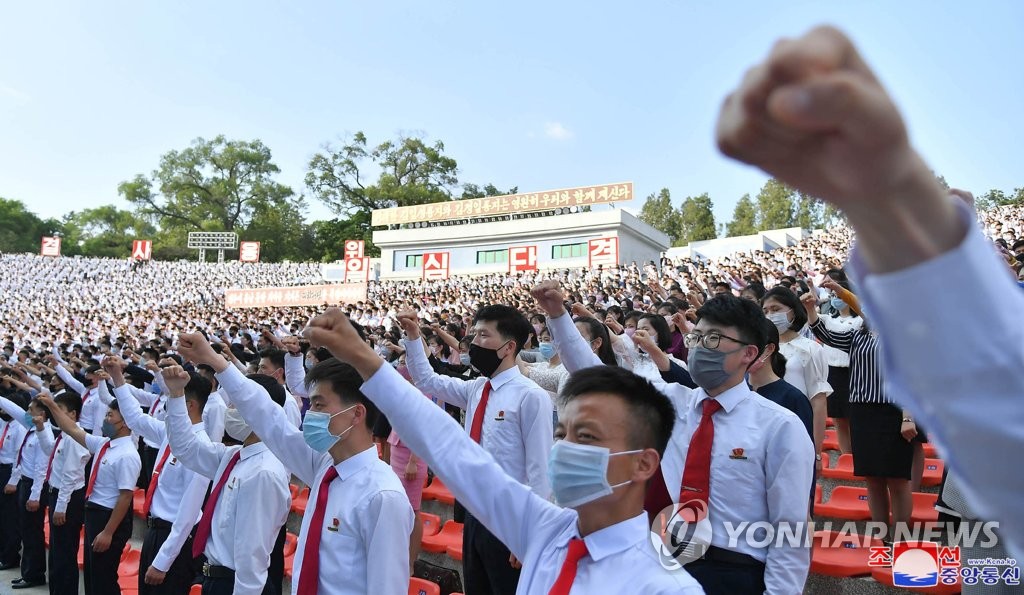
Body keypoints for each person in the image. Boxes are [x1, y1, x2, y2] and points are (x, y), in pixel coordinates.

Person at [715, 25, 1023, 555]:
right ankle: (887, 542)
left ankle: (901, 543)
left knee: (902, 489)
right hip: (979, 516)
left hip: (921, 444)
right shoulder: (864, 338)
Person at [301, 307, 703, 594]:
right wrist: (361, 357)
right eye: (561, 433)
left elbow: (516, 464)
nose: (562, 449)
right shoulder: (546, 532)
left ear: (643, 463)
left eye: (587, 437)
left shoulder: (664, 587)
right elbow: (449, 445)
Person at [534, 281, 813, 594]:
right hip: (663, 563)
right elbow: (593, 373)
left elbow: (791, 528)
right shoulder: (670, 402)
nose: (698, 347)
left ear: (749, 353)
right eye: (696, 337)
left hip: (735, 570)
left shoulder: (779, 426)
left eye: (713, 338)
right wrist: (557, 316)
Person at [174, 331, 414, 595]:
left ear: (356, 414)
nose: (311, 415)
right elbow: (267, 416)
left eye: (320, 405)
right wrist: (215, 361)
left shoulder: (382, 496)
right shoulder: (324, 466)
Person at [397, 305, 553, 595]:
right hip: (474, 512)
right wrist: (413, 336)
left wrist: (530, 532)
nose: (475, 342)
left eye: (484, 335)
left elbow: (539, 470)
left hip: (510, 519)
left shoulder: (531, 396)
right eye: (474, 333)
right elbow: (427, 380)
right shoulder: (478, 388)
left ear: (508, 347)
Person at [161, 365, 290, 595]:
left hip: (234, 584)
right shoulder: (234, 456)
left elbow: (252, 555)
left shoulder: (264, 472)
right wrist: (176, 396)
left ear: (260, 410)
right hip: (217, 577)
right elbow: (185, 448)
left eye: (237, 403)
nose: (230, 408)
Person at [104, 356, 212, 595]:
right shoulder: (169, 433)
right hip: (156, 532)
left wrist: (163, 561)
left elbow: (188, 514)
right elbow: (135, 418)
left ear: (189, 405)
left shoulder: (200, 448)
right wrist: (117, 378)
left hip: (175, 539)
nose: (165, 407)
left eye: (173, 399)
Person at [39, 393, 141, 595]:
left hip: (109, 517)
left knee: (104, 579)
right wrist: (51, 405)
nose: (106, 420)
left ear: (125, 423)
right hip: (94, 513)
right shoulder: (104, 444)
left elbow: (126, 497)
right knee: (93, 578)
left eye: (111, 416)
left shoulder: (128, 454)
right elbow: (71, 428)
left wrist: (108, 532)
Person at [761, 286, 831, 472]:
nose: (770, 315)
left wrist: (816, 451)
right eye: (766, 311)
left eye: (776, 309)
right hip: (764, 430)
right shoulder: (759, 350)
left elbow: (818, 402)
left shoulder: (810, 349)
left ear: (792, 311)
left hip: (798, 428)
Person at [40, 391, 91, 595]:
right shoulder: (64, 434)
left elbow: (70, 475)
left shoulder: (74, 436)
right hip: (58, 494)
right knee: (57, 552)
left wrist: (61, 508)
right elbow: (49, 450)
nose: (55, 415)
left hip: (68, 499)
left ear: (72, 414)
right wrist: (41, 428)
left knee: (64, 554)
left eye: (58, 410)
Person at [0, 395, 52, 589]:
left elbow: (41, 467)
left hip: (33, 486)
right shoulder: (32, 428)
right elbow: (13, 409)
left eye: (31, 410)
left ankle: (34, 574)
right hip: (25, 483)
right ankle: (27, 571)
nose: (27, 414)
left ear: (42, 414)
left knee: (32, 533)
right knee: (26, 530)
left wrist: (35, 495)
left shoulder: (44, 433)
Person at [0, 398, 27, 572]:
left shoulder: (20, 428)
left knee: (9, 518)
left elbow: (19, 457)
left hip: (10, 473)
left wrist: (13, 481)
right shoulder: (4, 424)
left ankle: (10, 556)